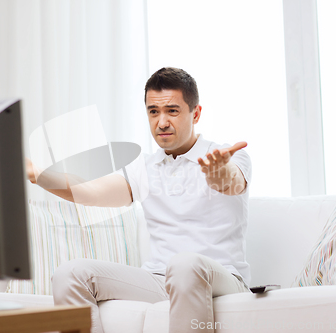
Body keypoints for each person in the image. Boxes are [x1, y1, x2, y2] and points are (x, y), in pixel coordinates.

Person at [26, 67, 252, 333]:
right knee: (70, 274)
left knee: (185, 264)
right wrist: (37, 174)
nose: (162, 122)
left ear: (196, 113)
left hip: (222, 279)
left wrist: (218, 173)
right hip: (160, 280)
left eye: (172, 110)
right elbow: (91, 191)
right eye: (153, 112)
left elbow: (229, 182)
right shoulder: (144, 168)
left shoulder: (226, 156)